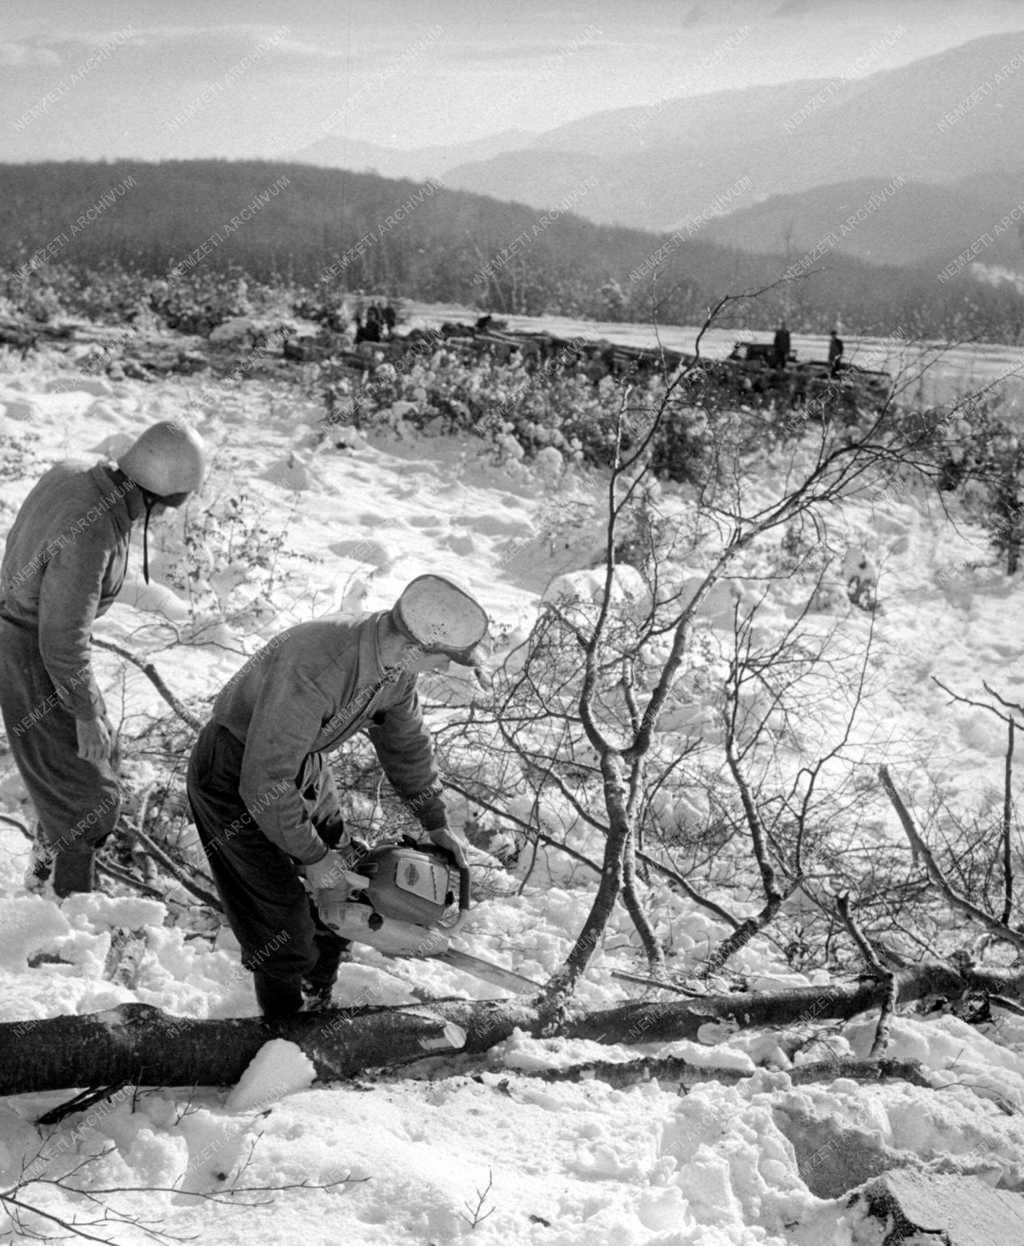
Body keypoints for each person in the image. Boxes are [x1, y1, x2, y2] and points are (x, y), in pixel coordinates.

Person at [186, 573, 489, 1019]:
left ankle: (315, 998)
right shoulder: (318, 665)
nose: (441, 672)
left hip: (300, 764)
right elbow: (264, 781)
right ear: (414, 648)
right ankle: (283, 1034)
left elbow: (405, 742)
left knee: (347, 889)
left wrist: (434, 820)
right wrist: (311, 855)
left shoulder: (395, 668)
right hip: (234, 771)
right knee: (283, 918)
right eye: (441, 662)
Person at [0, 420, 207, 897]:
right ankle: (71, 914)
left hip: (28, 637)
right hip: (33, 652)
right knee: (90, 799)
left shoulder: (80, 473)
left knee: (93, 765)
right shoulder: (93, 527)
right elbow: (62, 635)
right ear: (166, 495)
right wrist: (85, 712)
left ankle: (46, 875)